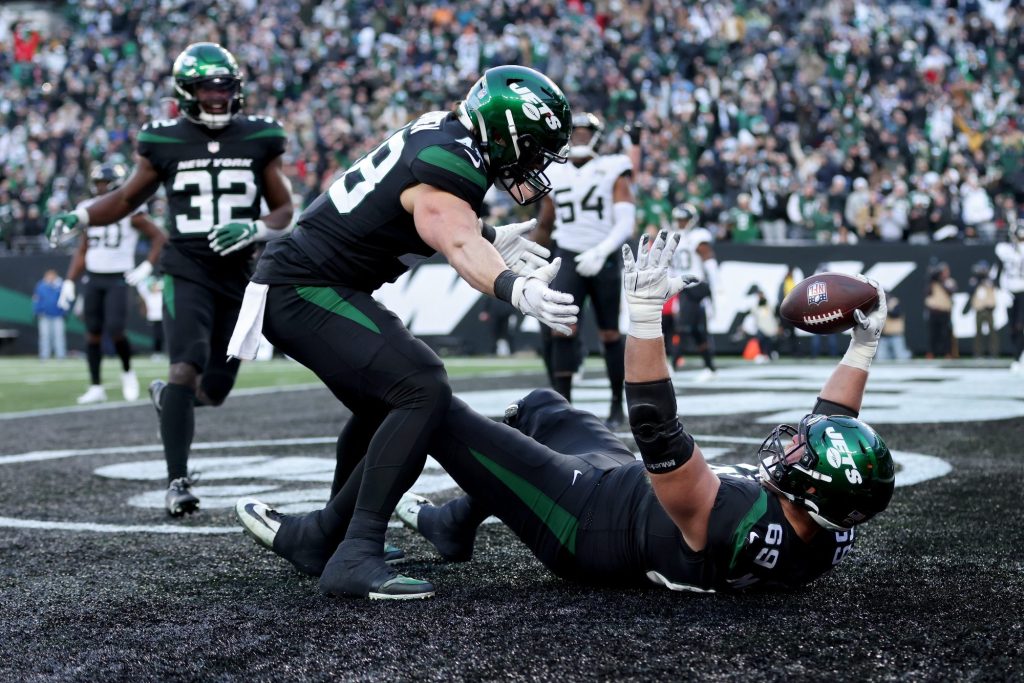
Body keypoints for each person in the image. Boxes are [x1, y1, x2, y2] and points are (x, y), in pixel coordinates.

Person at [236, 231, 894, 595]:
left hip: (590, 519)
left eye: (801, 459)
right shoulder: (832, 526)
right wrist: (863, 344)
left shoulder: (734, 519)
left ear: (808, 493)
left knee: (426, 399)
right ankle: (453, 523)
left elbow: (658, 432)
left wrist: (641, 317)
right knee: (542, 405)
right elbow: (833, 427)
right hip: (628, 486)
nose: (791, 448)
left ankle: (323, 534)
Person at [227, 65, 577, 600]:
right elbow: (453, 237)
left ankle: (328, 538)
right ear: (504, 130)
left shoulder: (447, 134)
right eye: (531, 147)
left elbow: (429, 212)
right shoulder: (453, 158)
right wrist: (511, 286)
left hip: (311, 284)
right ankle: (353, 552)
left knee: (385, 403)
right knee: (421, 385)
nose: (533, 162)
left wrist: (487, 235)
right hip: (303, 287)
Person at [45, 43, 295, 516]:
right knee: (187, 363)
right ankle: (177, 481)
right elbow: (124, 200)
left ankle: (172, 401)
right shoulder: (163, 140)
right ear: (187, 91)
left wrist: (256, 227)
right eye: (208, 87)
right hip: (187, 265)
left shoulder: (261, 136)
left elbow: (285, 209)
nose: (218, 96)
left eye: (225, 86)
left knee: (215, 389)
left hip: (240, 271)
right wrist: (80, 216)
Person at [532, 112, 637, 428]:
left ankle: (617, 405)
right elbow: (545, 222)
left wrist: (602, 250)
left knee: (609, 333)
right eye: (573, 130)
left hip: (602, 254)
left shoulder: (613, 167)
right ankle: (563, 409)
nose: (578, 135)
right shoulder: (555, 171)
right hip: (567, 254)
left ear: (596, 135)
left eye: (584, 130)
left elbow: (626, 221)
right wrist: (532, 256)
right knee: (561, 326)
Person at [58, 163, 166, 404]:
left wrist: (148, 264)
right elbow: (83, 248)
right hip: (94, 277)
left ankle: (127, 372)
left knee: (116, 329)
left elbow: (158, 236)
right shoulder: (87, 208)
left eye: (104, 183)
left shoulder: (130, 208)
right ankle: (96, 385)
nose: (100, 187)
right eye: (97, 183)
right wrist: (69, 280)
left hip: (118, 276)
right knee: (92, 332)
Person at [665, 203, 718, 380]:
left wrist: (718, 287)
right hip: (683, 287)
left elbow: (708, 259)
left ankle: (672, 367)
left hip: (697, 287)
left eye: (684, 219)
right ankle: (710, 368)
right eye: (678, 219)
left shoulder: (698, 235)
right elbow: (671, 266)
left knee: (684, 328)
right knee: (697, 331)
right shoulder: (674, 236)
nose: (680, 223)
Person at [996, 225, 1024, 372]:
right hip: (1009, 292)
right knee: (1013, 327)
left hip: (1022, 291)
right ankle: (1018, 354)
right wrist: (1002, 289)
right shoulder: (1005, 249)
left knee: (1020, 326)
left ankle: (1018, 356)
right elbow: (999, 270)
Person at [32, 269, 67, 360]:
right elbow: (36, 299)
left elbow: (65, 300)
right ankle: (44, 355)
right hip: (44, 315)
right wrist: (37, 311)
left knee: (59, 336)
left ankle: (60, 355)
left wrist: (63, 312)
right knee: (45, 336)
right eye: (48, 276)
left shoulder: (61, 285)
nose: (50, 278)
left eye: (52, 276)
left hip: (58, 315)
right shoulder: (41, 286)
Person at [968, 261, 999, 359]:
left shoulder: (990, 279)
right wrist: (978, 281)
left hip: (989, 309)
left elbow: (997, 285)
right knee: (978, 333)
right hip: (979, 309)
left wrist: (987, 279)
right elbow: (970, 291)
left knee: (992, 333)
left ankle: (994, 353)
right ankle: (978, 353)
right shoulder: (975, 280)